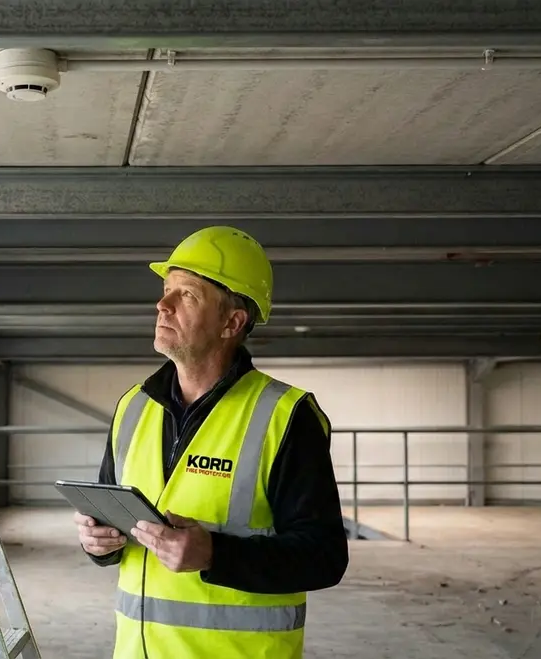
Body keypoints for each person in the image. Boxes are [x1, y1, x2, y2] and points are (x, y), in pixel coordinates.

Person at [73, 226, 349, 659]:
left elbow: (325, 557)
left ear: (232, 323)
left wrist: (216, 554)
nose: (162, 305)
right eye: (166, 291)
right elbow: (115, 527)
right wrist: (99, 544)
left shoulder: (286, 416)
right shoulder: (133, 407)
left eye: (187, 295)